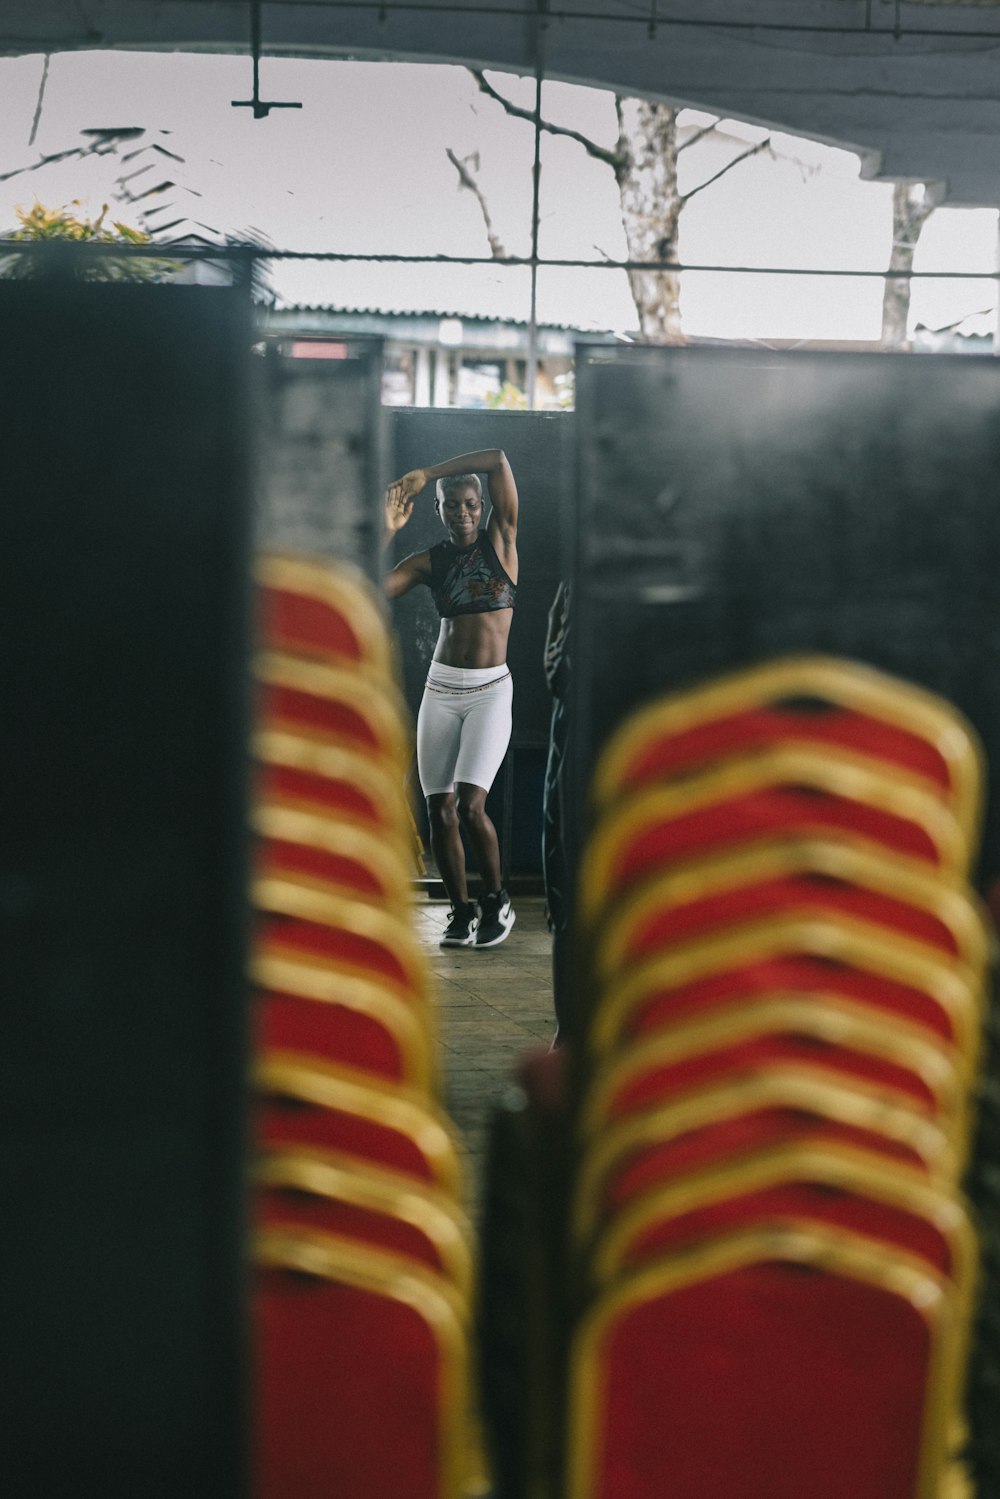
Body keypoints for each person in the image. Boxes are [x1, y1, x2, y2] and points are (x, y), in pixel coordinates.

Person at [383, 448, 518, 948]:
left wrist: (427, 474)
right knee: (438, 808)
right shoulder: (428, 562)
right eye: (451, 505)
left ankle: (495, 900)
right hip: (440, 692)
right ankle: (460, 911)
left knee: (470, 806)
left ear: (482, 506)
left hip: (489, 693)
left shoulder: (501, 543)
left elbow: (498, 460)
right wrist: (388, 529)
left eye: (470, 504)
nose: (462, 512)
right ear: (438, 511)